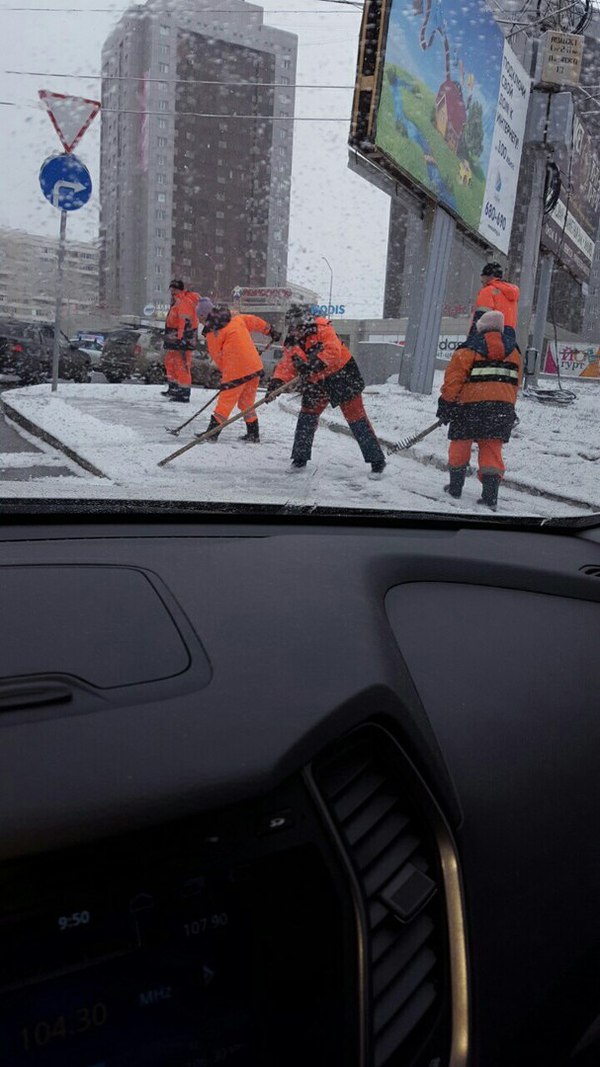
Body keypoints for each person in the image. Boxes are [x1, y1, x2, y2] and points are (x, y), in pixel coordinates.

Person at [265, 304, 386, 478]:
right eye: (291, 326)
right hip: (316, 382)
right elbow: (287, 364)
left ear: (305, 324)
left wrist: (312, 364)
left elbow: (333, 352)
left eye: (296, 326)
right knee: (307, 417)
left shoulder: (323, 330)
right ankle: (299, 459)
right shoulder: (292, 341)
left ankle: (377, 461)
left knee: (356, 418)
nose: (293, 330)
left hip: (342, 375)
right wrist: (276, 383)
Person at [436, 310, 522, 512]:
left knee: (460, 445)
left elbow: (453, 381)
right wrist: (508, 405)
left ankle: (455, 487)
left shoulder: (468, 350)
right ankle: (490, 495)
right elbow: (515, 383)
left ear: (480, 327)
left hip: (468, 408)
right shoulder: (515, 353)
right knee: (492, 449)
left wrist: (446, 404)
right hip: (501, 408)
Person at [196, 299, 279, 442]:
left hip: (236, 371)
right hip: (254, 367)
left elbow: (218, 357)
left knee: (224, 403)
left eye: (199, 318)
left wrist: (228, 375)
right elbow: (254, 321)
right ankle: (253, 434)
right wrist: (270, 330)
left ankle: (211, 434)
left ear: (204, 316)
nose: (200, 322)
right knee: (246, 403)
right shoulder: (235, 318)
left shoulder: (213, 332)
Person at [163, 279, 201, 403]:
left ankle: (183, 393)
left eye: (173, 289)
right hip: (175, 337)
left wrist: (181, 339)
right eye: (171, 290)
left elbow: (183, 322)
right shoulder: (178, 301)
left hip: (182, 338)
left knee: (182, 365)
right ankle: (174, 388)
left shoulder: (185, 301)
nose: (171, 292)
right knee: (171, 362)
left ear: (178, 289)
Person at [473, 262, 520, 335]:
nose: (482, 284)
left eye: (482, 280)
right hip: (509, 336)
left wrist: (472, 339)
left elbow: (480, 318)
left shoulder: (488, 291)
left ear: (489, 276)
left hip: (490, 337)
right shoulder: (510, 293)